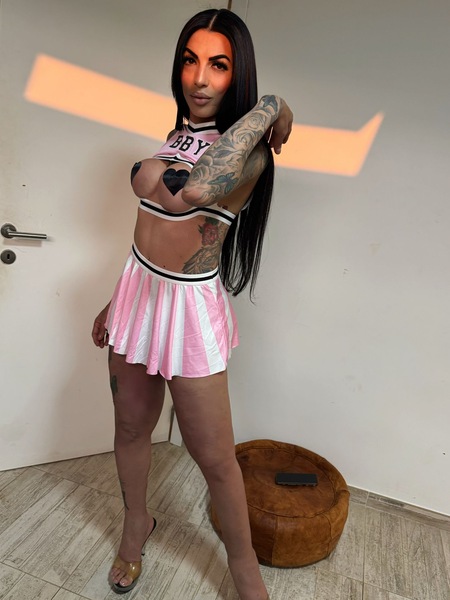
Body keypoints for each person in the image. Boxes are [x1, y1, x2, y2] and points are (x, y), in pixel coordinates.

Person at [91, 8, 292, 600]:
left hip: (189, 310)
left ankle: (243, 568)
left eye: (219, 65)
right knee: (131, 428)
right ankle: (136, 528)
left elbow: (198, 189)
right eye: (190, 60)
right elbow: (150, 227)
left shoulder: (249, 153)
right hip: (138, 295)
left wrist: (272, 105)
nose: (200, 79)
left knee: (216, 458)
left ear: (239, 74)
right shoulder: (176, 133)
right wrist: (115, 301)